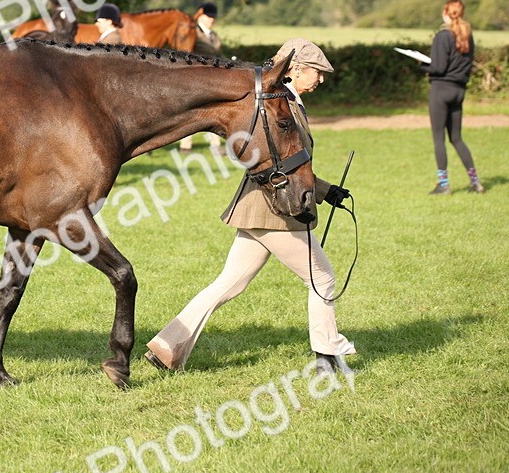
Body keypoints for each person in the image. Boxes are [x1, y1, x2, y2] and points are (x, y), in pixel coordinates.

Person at [145, 38, 357, 378]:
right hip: (274, 208)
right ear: (295, 69)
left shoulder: (290, 102)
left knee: (230, 283)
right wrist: (319, 191)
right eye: (316, 72)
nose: (320, 79)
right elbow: (271, 161)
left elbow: (289, 162)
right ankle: (327, 358)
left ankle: (167, 345)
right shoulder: (276, 103)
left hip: (258, 207)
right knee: (321, 278)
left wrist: (326, 190)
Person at [421, 0, 484, 194]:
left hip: (441, 90)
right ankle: (475, 182)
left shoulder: (443, 36)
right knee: (456, 138)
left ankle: (443, 184)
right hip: (458, 91)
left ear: (446, 13)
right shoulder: (467, 36)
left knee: (438, 139)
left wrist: (422, 65)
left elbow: (438, 67)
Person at [180, 2, 223, 151]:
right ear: (201, 16)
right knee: (191, 111)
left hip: (213, 78)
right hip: (196, 77)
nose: (212, 20)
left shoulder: (213, 35)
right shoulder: (193, 33)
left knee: (214, 110)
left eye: (213, 17)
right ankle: (185, 145)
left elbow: (219, 55)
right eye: (209, 16)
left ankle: (215, 145)